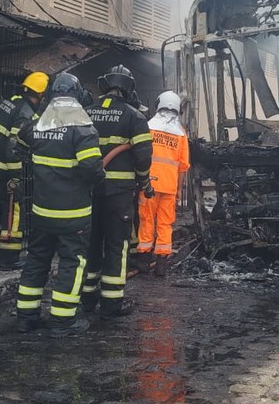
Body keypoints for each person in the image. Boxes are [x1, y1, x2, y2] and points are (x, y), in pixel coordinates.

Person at [14, 73, 105, 337]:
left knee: (36, 260)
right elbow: (91, 167)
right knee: (72, 263)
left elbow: (18, 144)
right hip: (73, 215)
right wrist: (101, 177)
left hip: (41, 212)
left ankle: (26, 317)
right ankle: (62, 321)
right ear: (77, 96)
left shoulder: (37, 126)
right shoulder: (83, 129)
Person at [84, 65, 154, 320]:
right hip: (119, 195)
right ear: (129, 88)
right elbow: (143, 155)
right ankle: (112, 303)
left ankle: (87, 298)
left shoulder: (87, 111)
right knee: (116, 246)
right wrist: (145, 182)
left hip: (89, 193)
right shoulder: (133, 117)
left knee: (90, 244)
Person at [0, 72, 49, 270]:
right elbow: (13, 148)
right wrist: (16, 177)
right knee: (13, 212)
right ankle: (9, 259)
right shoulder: (25, 114)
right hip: (4, 170)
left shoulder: (10, 102)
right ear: (41, 94)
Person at [134, 91, 191, 278]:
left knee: (146, 221)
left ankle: (143, 261)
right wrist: (179, 190)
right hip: (169, 186)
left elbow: (140, 154)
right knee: (165, 224)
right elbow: (183, 166)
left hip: (148, 184)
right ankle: (161, 267)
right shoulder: (181, 134)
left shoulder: (148, 127)